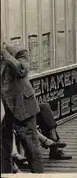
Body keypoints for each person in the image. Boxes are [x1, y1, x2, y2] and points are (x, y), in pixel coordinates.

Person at [1, 44, 44, 173]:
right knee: (3, 152)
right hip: (3, 110)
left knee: (32, 149)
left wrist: (5, 54)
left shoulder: (18, 51)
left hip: (22, 107)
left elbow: (22, 71)